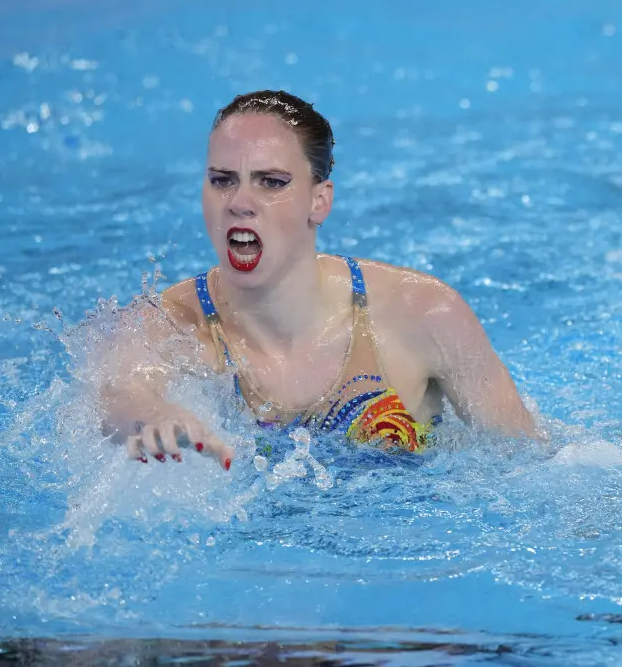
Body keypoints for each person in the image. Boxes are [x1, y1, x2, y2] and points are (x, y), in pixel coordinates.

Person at [96, 90, 539, 469]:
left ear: (319, 201)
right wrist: (153, 418)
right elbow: (119, 395)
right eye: (222, 180)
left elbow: (528, 463)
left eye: (271, 182)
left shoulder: (421, 313)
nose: (240, 202)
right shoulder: (166, 325)